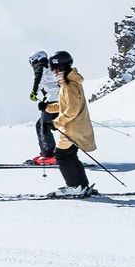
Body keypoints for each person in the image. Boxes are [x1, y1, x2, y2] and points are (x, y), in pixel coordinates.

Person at [41, 51, 99, 196]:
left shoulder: (68, 85)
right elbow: (66, 105)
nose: (53, 71)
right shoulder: (69, 81)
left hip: (72, 127)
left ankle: (74, 187)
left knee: (61, 155)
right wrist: (48, 107)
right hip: (75, 126)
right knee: (70, 155)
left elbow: (72, 110)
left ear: (58, 67)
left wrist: (55, 122)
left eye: (53, 68)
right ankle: (82, 185)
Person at [28, 51, 59, 165]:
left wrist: (34, 92)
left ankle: (49, 154)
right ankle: (50, 153)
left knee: (43, 125)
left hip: (52, 100)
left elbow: (38, 76)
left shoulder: (41, 65)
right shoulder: (51, 67)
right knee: (42, 124)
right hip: (57, 100)